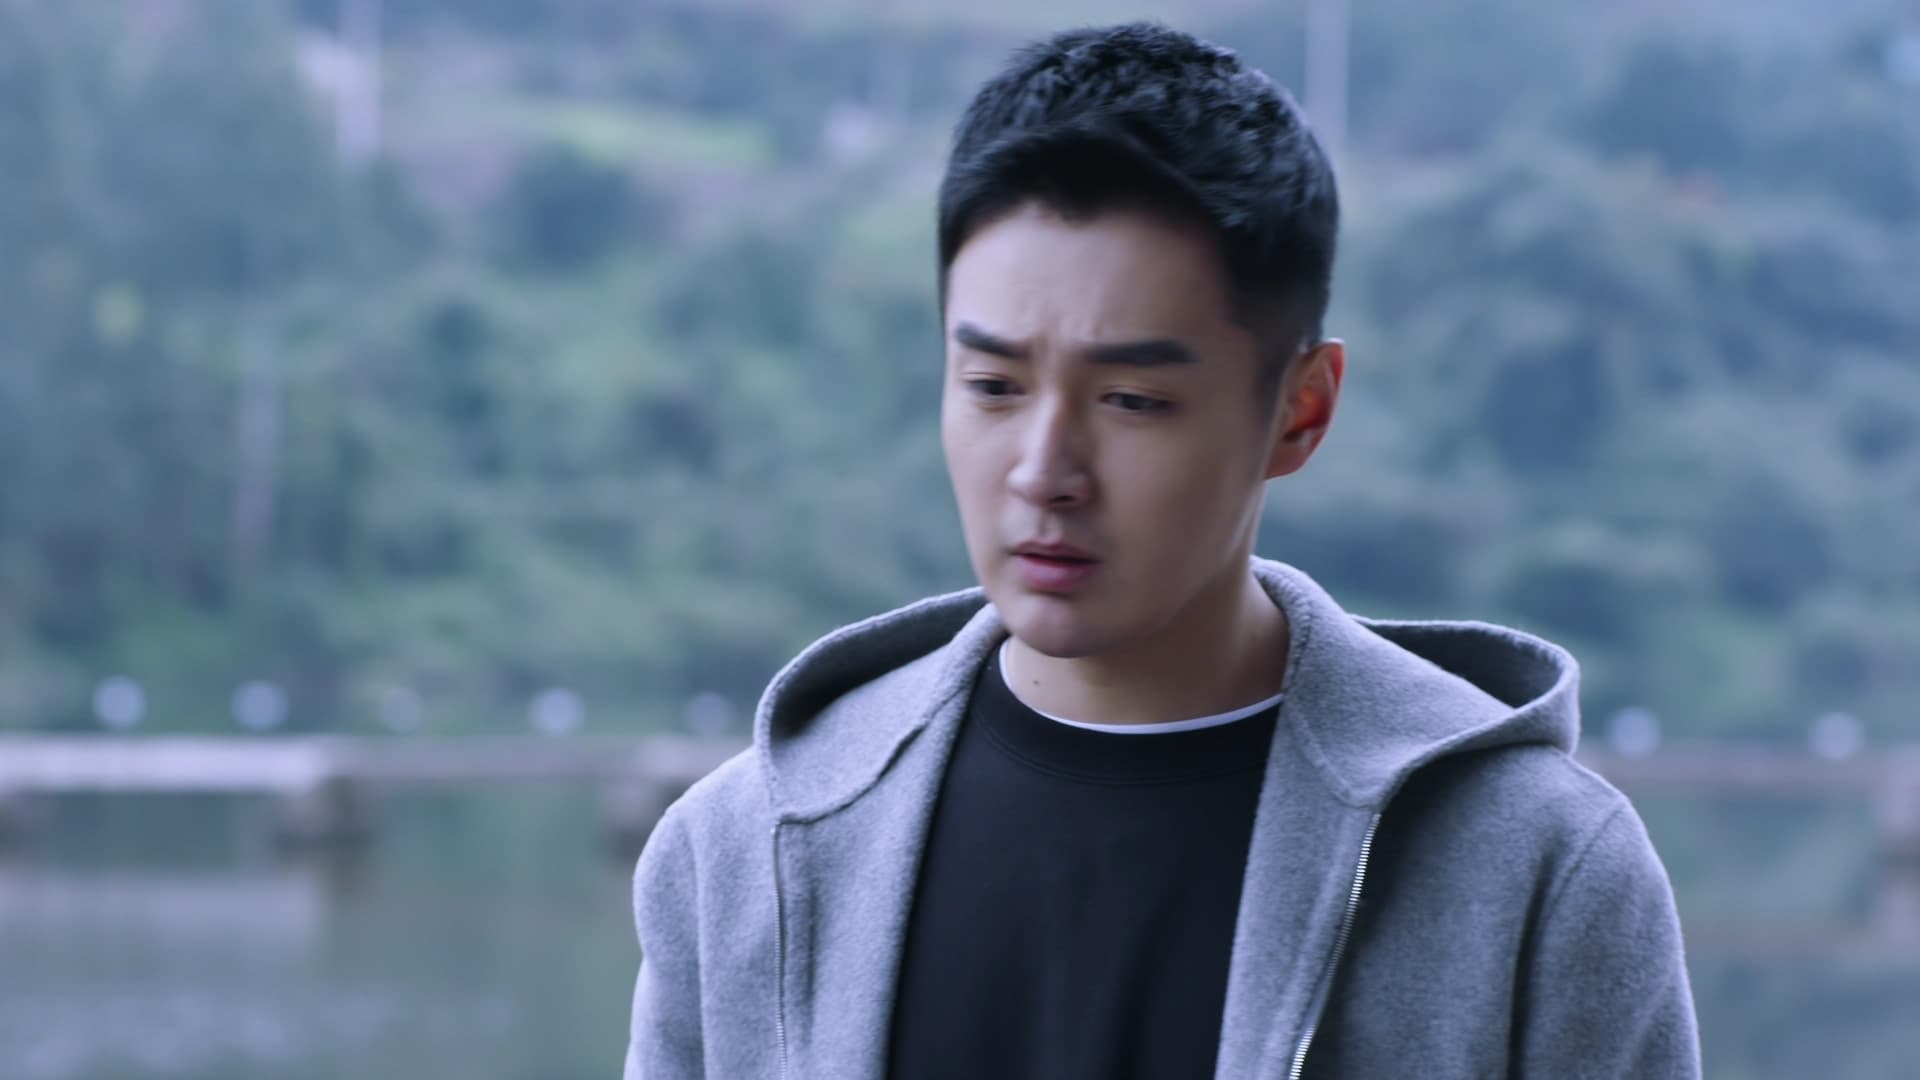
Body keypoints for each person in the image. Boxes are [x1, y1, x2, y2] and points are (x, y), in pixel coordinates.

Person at [624, 21, 1700, 1080]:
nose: (1044, 469)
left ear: (1299, 411)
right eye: (993, 386)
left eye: (1133, 400)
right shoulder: (743, 852)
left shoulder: (1536, 870)